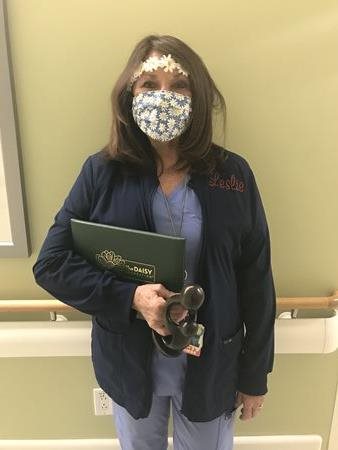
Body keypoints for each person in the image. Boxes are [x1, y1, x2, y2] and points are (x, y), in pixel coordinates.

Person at [33, 34, 276, 450]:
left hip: (212, 361)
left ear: (197, 95)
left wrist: (255, 376)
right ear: (130, 93)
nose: (164, 96)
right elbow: (51, 264)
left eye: (178, 85)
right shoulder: (102, 173)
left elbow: (256, 279)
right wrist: (129, 297)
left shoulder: (233, 174)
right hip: (131, 361)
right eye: (149, 85)